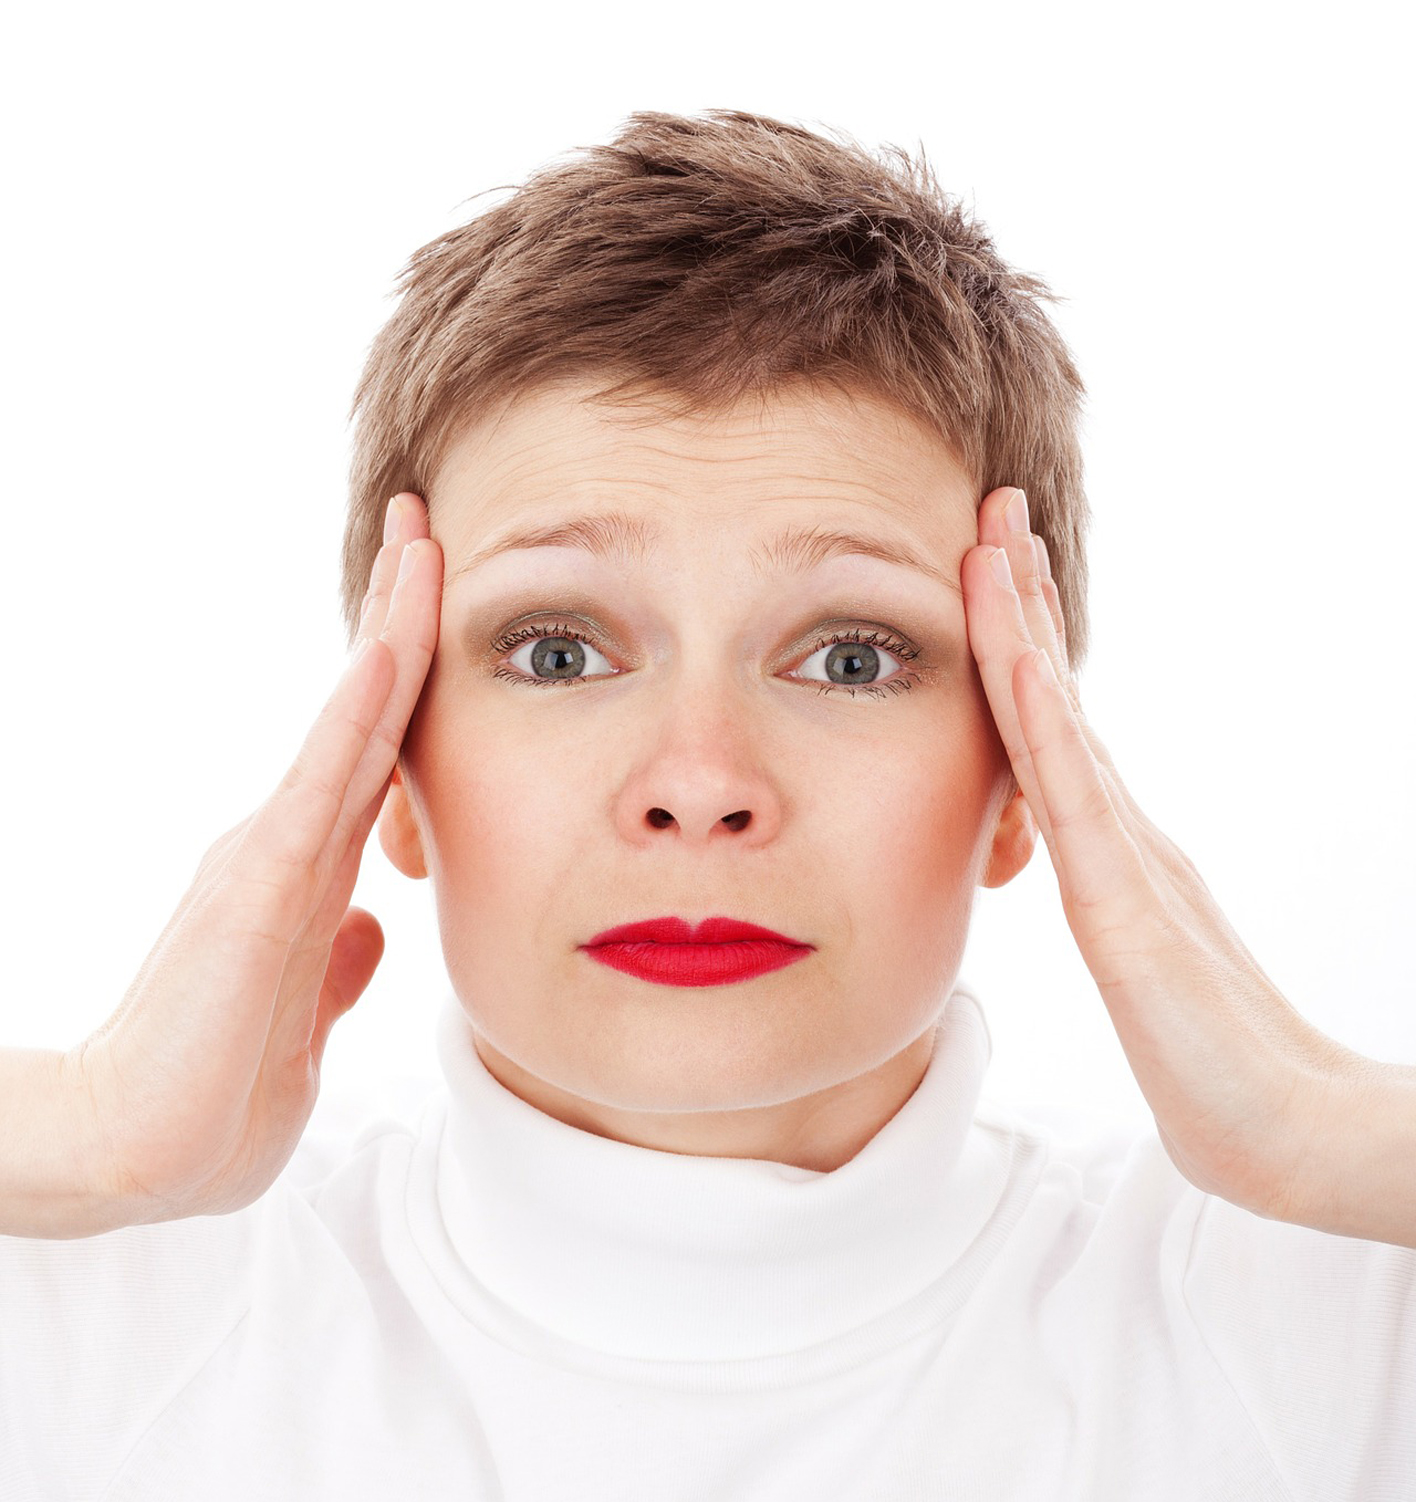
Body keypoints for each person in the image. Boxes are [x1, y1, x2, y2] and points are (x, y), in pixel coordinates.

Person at [1, 108, 1412, 1500]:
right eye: (557, 651)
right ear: (395, 769)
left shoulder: (1331, 1321)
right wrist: (80, 1127)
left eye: (852, 656)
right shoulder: (90, 1319)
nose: (699, 786)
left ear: (1021, 777)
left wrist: (1322, 1127)